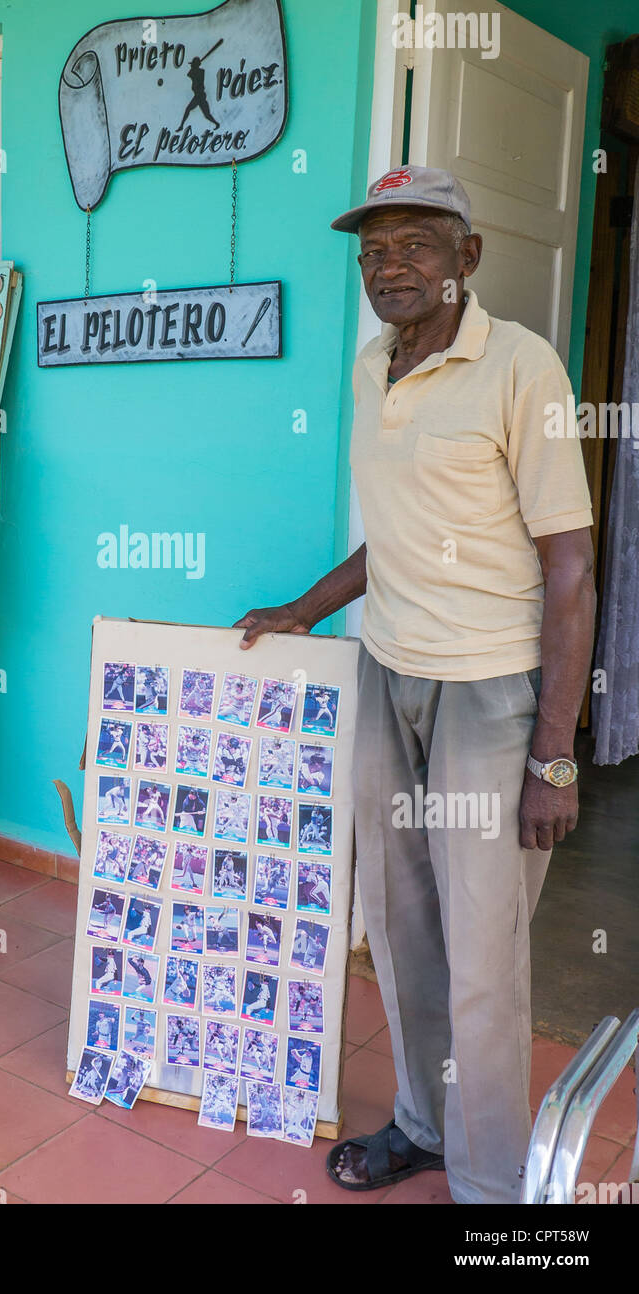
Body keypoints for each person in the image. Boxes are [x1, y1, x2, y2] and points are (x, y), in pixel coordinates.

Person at [236, 165, 595, 1204]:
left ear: (466, 260)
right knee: (395, 927)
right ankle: (424, 1124)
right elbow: (385, 538)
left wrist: (555, 754)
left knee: (483, 956)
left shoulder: (522, 368)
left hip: (490, 696)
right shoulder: (370, 366)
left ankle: (489, 1190)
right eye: (372, 251)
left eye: (415, 245)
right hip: (383, 674)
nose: (389, 267)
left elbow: (569, 565)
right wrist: (305, 608)